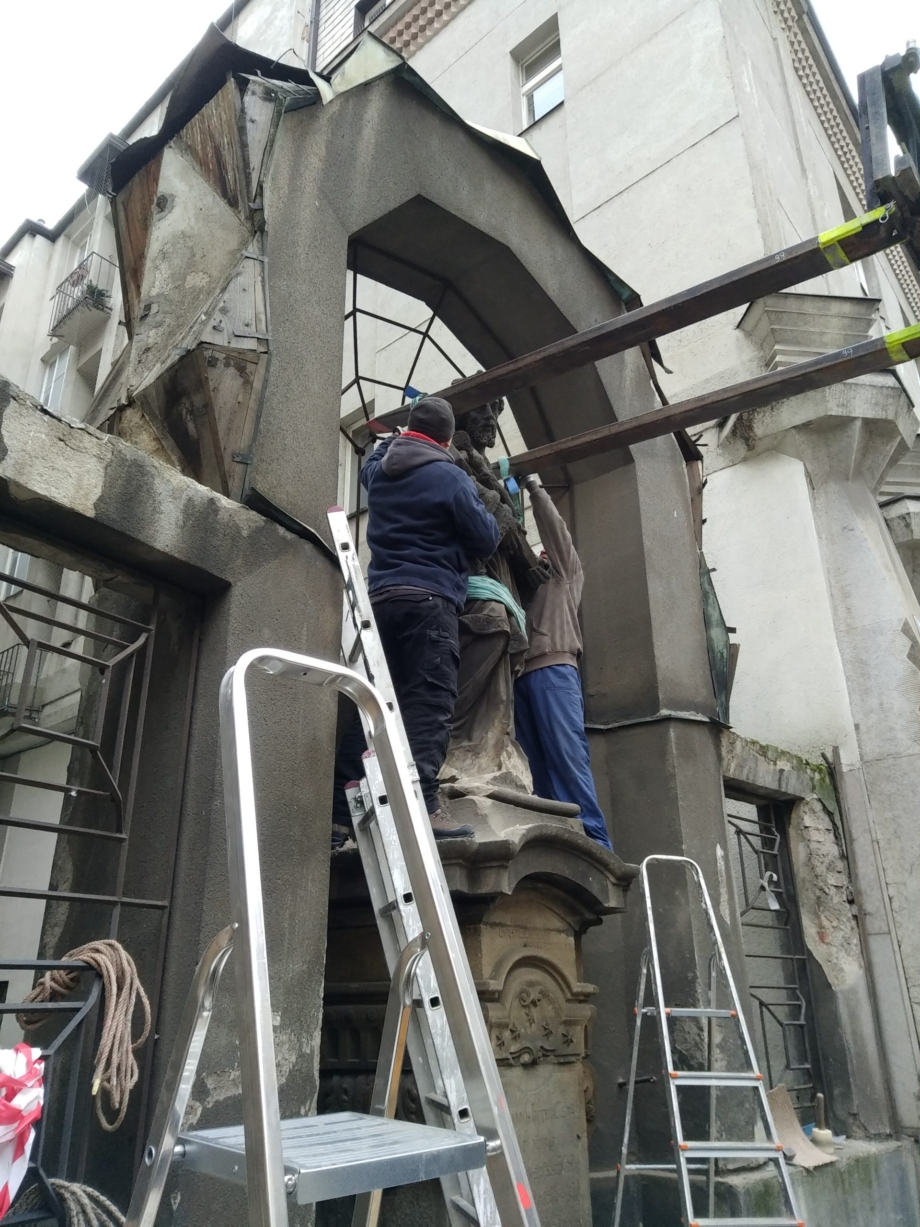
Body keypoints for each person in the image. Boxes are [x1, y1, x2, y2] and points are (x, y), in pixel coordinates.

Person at [358, 396, 501, 838]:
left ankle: (344, 811)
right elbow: (486, 539)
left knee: (374, 702)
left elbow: (373, 459)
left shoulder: (379, 473)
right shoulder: (449, 476)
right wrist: (488, 501)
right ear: (445, 438)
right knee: (429, 702)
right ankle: (423, 803)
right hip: (430, 600)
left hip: (380, 600)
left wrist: (388, 443)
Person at [513, 473, 615, 850]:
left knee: (567, 759)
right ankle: (558, 839)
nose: (541, 557)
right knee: (537, 768)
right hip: (522, 677)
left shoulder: (566, 575)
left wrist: (535, 488)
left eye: (544, 555)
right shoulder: (524, 587)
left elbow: (556, 534)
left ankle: (596, 844)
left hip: (554, 671)